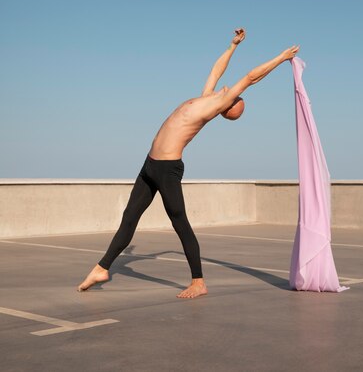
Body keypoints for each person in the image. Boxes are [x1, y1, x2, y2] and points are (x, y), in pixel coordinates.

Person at [77, 29, 299, 298]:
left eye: (237, 97)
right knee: (129, 218)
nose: (233, 91)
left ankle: (198, 281)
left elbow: (252, 77)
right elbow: (217, 70)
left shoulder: (214, 104)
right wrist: (232, 46)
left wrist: (281, 57)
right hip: (149, 165)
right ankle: (102, 267)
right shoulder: (208, 97)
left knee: (180, 222)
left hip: (167, 169)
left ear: (229, 105)